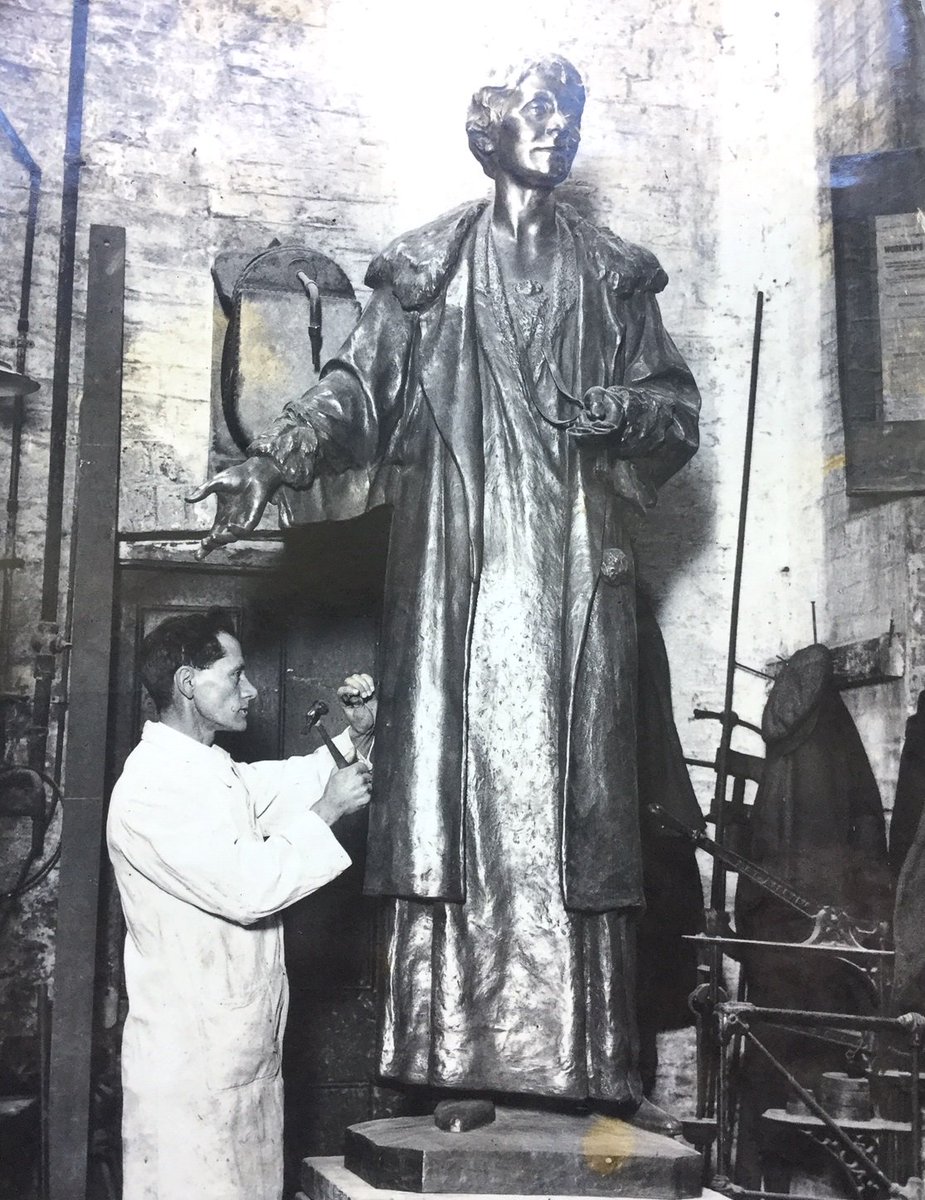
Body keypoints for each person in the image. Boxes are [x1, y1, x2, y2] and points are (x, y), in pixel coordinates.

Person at [189, 56, 700, 1121]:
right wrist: (275, 457)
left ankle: (580, 1065)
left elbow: (674, 413)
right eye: (537, 110)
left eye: (571, 113)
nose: (557, 128)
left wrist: (620, 411)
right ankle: (452, 1059)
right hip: (460, 589)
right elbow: (355, 394)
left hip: (568, 589)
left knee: (576, 822)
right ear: (491, 129)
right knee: (455, 816)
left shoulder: (614, 277)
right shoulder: (426, 269)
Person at [106, 609, 375, 1200]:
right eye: (235, 675)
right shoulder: (151, 790)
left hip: (238, 1055)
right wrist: (327, 812)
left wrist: (357, 734)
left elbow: (291, 782)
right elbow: (249, 889)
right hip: (189, 1073)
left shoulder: (210, 772)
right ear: (186, 683)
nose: (250, 690)